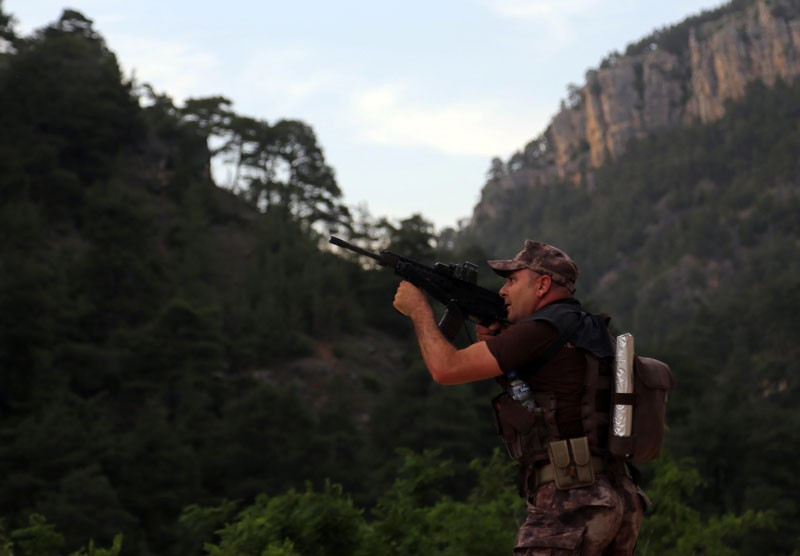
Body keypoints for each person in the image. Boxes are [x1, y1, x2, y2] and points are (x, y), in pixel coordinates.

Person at [392, 239, 647, 556]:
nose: (502, 291)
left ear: (542, 285)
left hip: (571, 498)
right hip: (620, 497)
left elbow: (445, 369)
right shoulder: (589, 329)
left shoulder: (542, 329)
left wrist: (419, 311)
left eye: (512, 280)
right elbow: (540, 397)